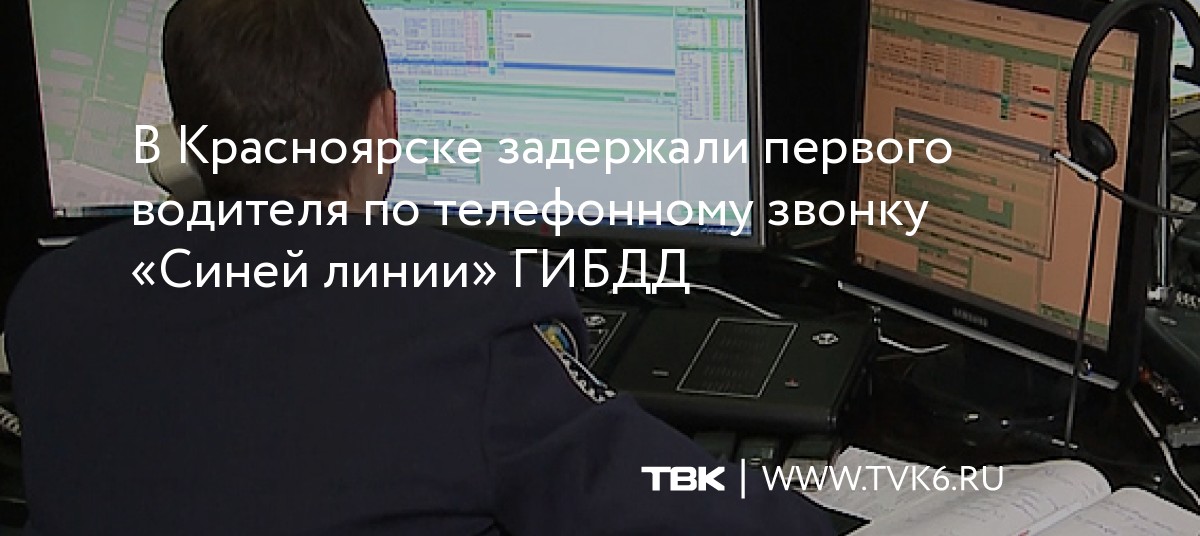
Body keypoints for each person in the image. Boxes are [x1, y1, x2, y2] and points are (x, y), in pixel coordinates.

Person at [4, 0, 835, 534]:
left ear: (186, 143)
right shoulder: (470, 317)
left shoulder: (50, 304)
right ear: (384, 123)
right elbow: (684, 509)